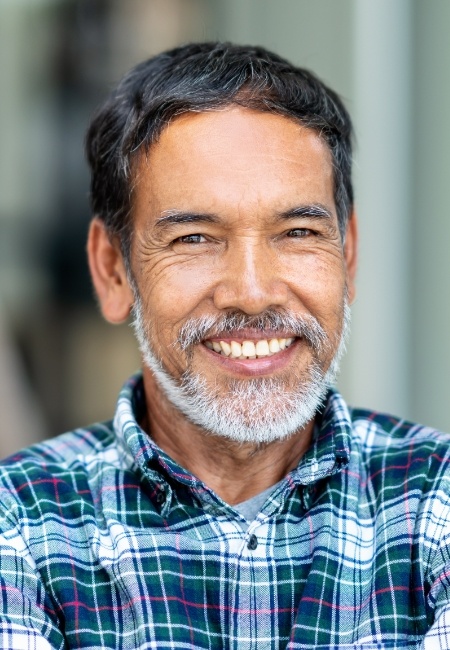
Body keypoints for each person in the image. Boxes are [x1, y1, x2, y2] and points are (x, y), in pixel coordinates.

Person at [0, 42, 448, 650]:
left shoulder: (435, 501)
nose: (254, 293)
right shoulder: (20, 524)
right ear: (112, 270)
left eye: (297, 232)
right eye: (194, 238)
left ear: (347, 253)